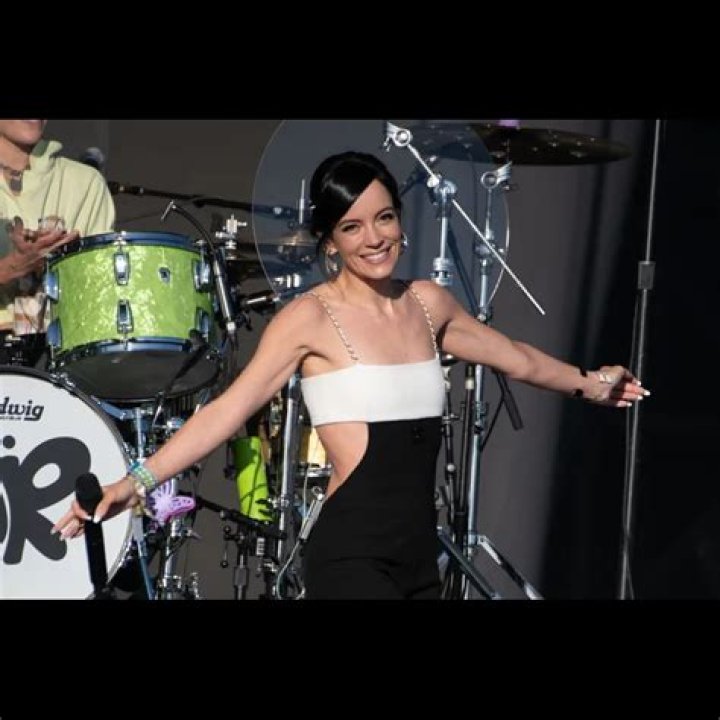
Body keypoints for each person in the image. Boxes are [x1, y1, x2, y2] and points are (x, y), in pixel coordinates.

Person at [53, 150, 649, 599]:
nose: (375, 238)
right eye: (352, 227)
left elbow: (515, 356)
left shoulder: (427, 304)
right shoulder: (309, 318)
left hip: (420, 554)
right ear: (331, 241)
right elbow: (228, 411)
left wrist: (591, 383)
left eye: (384, 218)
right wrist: (131, 483)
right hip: (351, 555)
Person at [0, 119, 115, 358]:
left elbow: (103, 292)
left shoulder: (85, 183)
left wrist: (67, 268)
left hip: (59, 356)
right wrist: (12, 267)